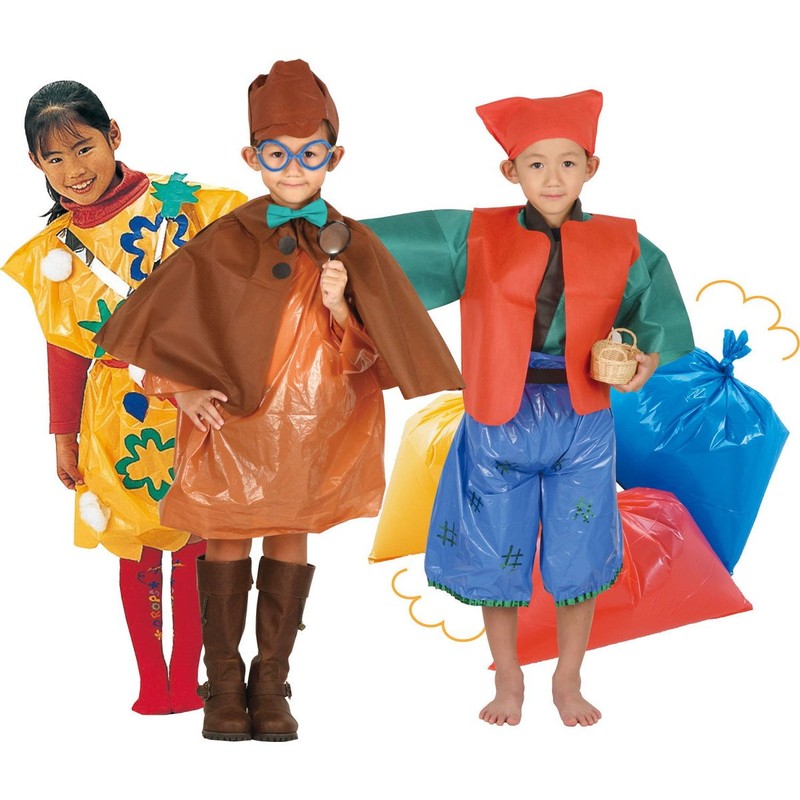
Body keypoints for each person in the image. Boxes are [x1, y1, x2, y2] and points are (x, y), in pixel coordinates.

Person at [94, 59, 463, 742]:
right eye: (277, 154)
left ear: (334, 158)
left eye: (309, 154)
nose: (293, 168)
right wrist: (183, 388)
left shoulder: (354, 244)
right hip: (232, 420)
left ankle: (271, 682)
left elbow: (378, 353)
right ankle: (222, 685)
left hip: (314, 424)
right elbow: (160, 326)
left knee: (291, 532)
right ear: (252, 157)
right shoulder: (225, 238)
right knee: (228, 535)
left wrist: (341, 306)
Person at [362, 90, 695, 727]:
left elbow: (654, 317)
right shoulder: (473, 235)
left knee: (580, 550)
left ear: (591, 167)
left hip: (583, 416)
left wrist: (644, 360)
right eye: (535, 163)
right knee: (497, 548)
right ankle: (508, 675)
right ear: (509, 170)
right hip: (498, 411)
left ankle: (568, 677)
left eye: (568, 163)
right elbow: (377, 249)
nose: (552, 178)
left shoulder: (625, 243)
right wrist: (319, 234)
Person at [2, 80, 247, 715]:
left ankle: (188, 681)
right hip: (113, 411)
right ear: (35, 164)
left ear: (113, 134)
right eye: (55, 159)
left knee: (194, 540)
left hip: (193, 401)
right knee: (133, 541)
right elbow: (64, 349)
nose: (73, 170)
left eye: (83, 148)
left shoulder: (186, 208)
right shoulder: (54, 252)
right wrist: (63, 435)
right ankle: (152, 684)